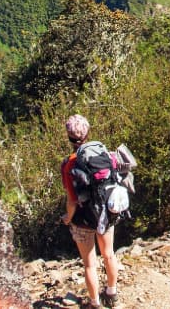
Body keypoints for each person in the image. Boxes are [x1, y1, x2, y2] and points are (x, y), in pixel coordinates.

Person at [60, 114, 119, 308]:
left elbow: (72, 200)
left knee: (89, 264)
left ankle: (94, 303)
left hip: (83, 220)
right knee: (109, 254)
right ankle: (111, 293)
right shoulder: (103, 154)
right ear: (88, 134)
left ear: (69, 137)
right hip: (104, 213)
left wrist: (68, 218)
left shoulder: (69, 164)